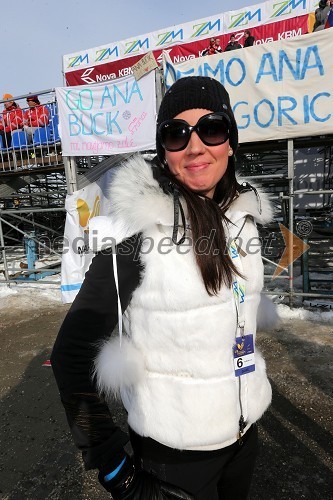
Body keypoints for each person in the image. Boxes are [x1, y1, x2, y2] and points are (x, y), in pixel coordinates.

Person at [51, 76, 275, 499]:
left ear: (230, 141)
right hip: (173, 457)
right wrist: (116, 468)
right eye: (176, 134)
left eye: (211, 128)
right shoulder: (139, 237)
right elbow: (70, 355)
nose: (195, 147)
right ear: (163, 150)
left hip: (244, 439)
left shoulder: (243, 219)